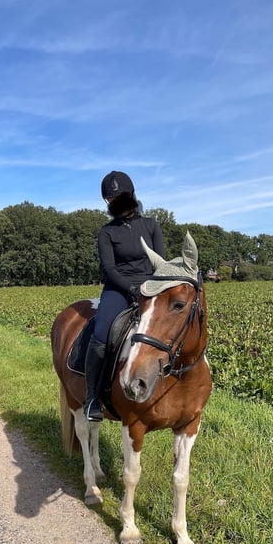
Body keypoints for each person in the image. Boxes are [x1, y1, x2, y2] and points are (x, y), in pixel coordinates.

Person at [84, 171, 166, 421]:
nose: (114, 203)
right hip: (118, 288)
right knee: (101, 333)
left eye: (119, 198)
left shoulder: (151, 225)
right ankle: (92, 397)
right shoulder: (106, 232)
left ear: (131, 196)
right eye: (110, 200)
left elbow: (160, 263)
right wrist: (131, 290)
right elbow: (109, 268)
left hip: (150, 287)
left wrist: (152, 289)